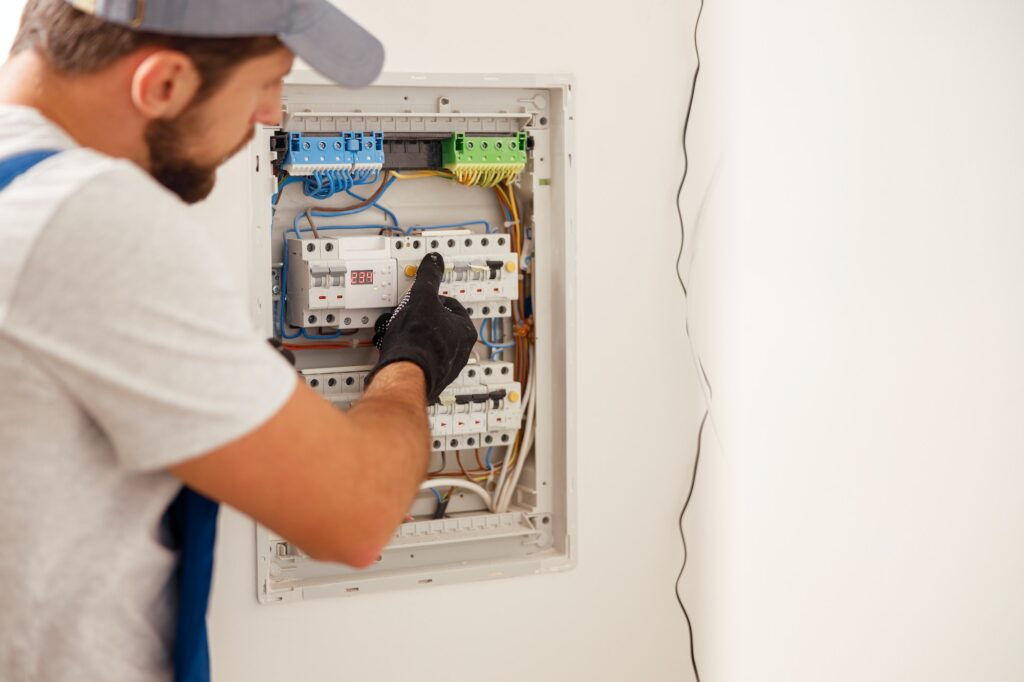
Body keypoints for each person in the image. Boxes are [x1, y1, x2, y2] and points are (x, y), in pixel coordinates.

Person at [0, 0, 477, 680]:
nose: (273, 115)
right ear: (162, 83)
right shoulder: (84, 215)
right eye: (268, 82)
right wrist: (414, 362)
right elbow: (357, 516)